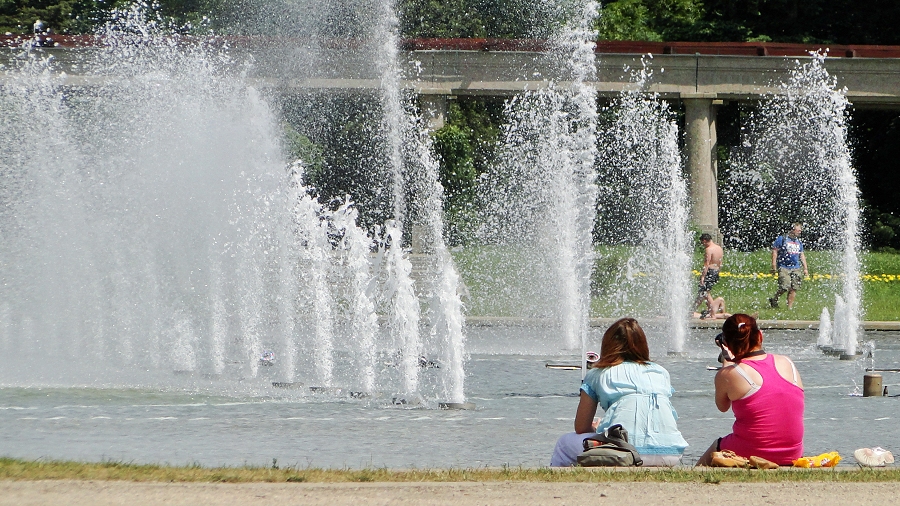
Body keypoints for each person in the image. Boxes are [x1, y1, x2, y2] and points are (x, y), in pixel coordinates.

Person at [550, 318, 688, 467]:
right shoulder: (660, 372)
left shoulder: (598, 374)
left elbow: (581, 427)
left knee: (564, 444)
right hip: (671, 452)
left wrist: (595, 429)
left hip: (622, 451)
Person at [696, 314, 804, 466]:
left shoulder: (729, 373)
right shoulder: (787, 362)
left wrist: (726, 360)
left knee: (716, 447)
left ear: (726, 344)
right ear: (760, 336)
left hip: (754, 450)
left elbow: (722, 406)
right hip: (792, 452)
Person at [768, 223, 809, 309]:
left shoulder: (798, 242)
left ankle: (789, 308)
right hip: (783, 267)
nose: (800, 232)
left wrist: (805, 268)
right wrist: (774, 265)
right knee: (784, 286)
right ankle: (774, 299)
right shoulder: (782, 239)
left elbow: (801, 255)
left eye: (800, 230)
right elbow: (775, 251)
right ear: (792, 230)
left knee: (794, 288)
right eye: (798, 230)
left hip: (796, 267)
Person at [693, 233, 724, 316]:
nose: (703, 245)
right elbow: (720, 262)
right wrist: (718, 272)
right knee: (705, 292)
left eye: (703, 243)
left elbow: (706, 264)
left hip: (710, 271)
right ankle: (710, 310)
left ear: (704, 241)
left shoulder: (709, 249)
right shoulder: (719, 248)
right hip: (716, 271)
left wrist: (703, 276)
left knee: (704, 292)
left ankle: (712, 312)